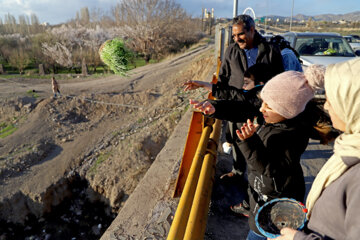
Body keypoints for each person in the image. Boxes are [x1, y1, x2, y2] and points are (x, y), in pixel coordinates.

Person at [184, 14, 284, 180]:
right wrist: (219, 107)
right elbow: (223, 80)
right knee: (239, 140)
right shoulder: (232, 50)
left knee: (260, 143)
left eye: (241, 34)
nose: (237, 39)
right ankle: (237, 172)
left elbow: (280, 80)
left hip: (263, 107)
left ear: (252, 30)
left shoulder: (270, 50)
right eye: (234, 36)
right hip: (237, 105)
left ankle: (260, 179)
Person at [270, 59, 360, 240]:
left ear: (354, 105)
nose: (326, 106)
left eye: (332, 99)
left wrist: (298, 239)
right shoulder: (350, 146)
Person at [234, 68, 325, 240]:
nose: (261, 109)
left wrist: (249, 142)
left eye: (268, 106)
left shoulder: (289, 136)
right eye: (263, 103)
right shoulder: (276, 124)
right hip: (263, 202)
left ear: (287, 110)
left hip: (276, 212)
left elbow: (269, 168)